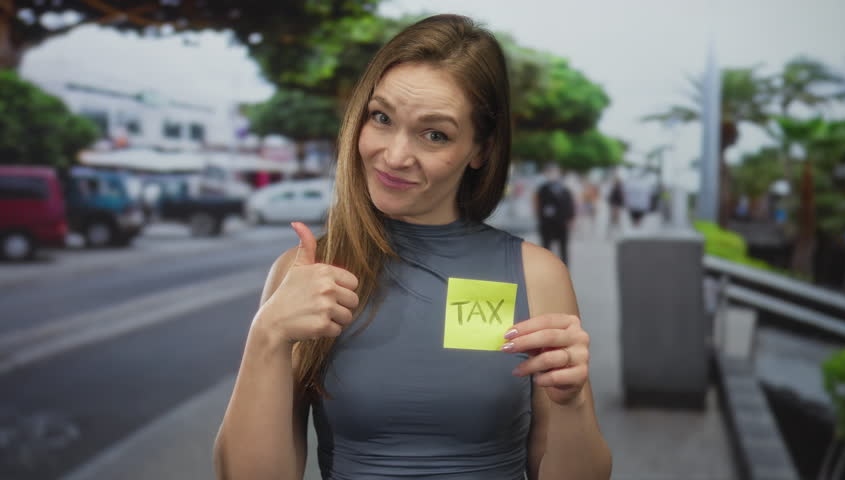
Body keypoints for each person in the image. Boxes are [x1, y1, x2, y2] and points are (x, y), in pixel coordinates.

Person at [214, 14, 611, 480]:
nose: (396, 155)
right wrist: (267, 337)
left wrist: (573, 401)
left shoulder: (538, 275)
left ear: (480, 149)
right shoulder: (308, 271)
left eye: (434, 134)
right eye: (381, 118)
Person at [534, 165, 576, 265]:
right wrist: (540, 218)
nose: (552, 175)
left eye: (554, 172)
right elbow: (537, 205)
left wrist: (571, 219)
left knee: (563, 248)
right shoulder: (542, 189)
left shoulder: (565, 190)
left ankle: (564, 267)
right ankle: (546, 267)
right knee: (546, 248)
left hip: (561, 224)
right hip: (547, 224)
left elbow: (570, 205)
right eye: (550, 172)